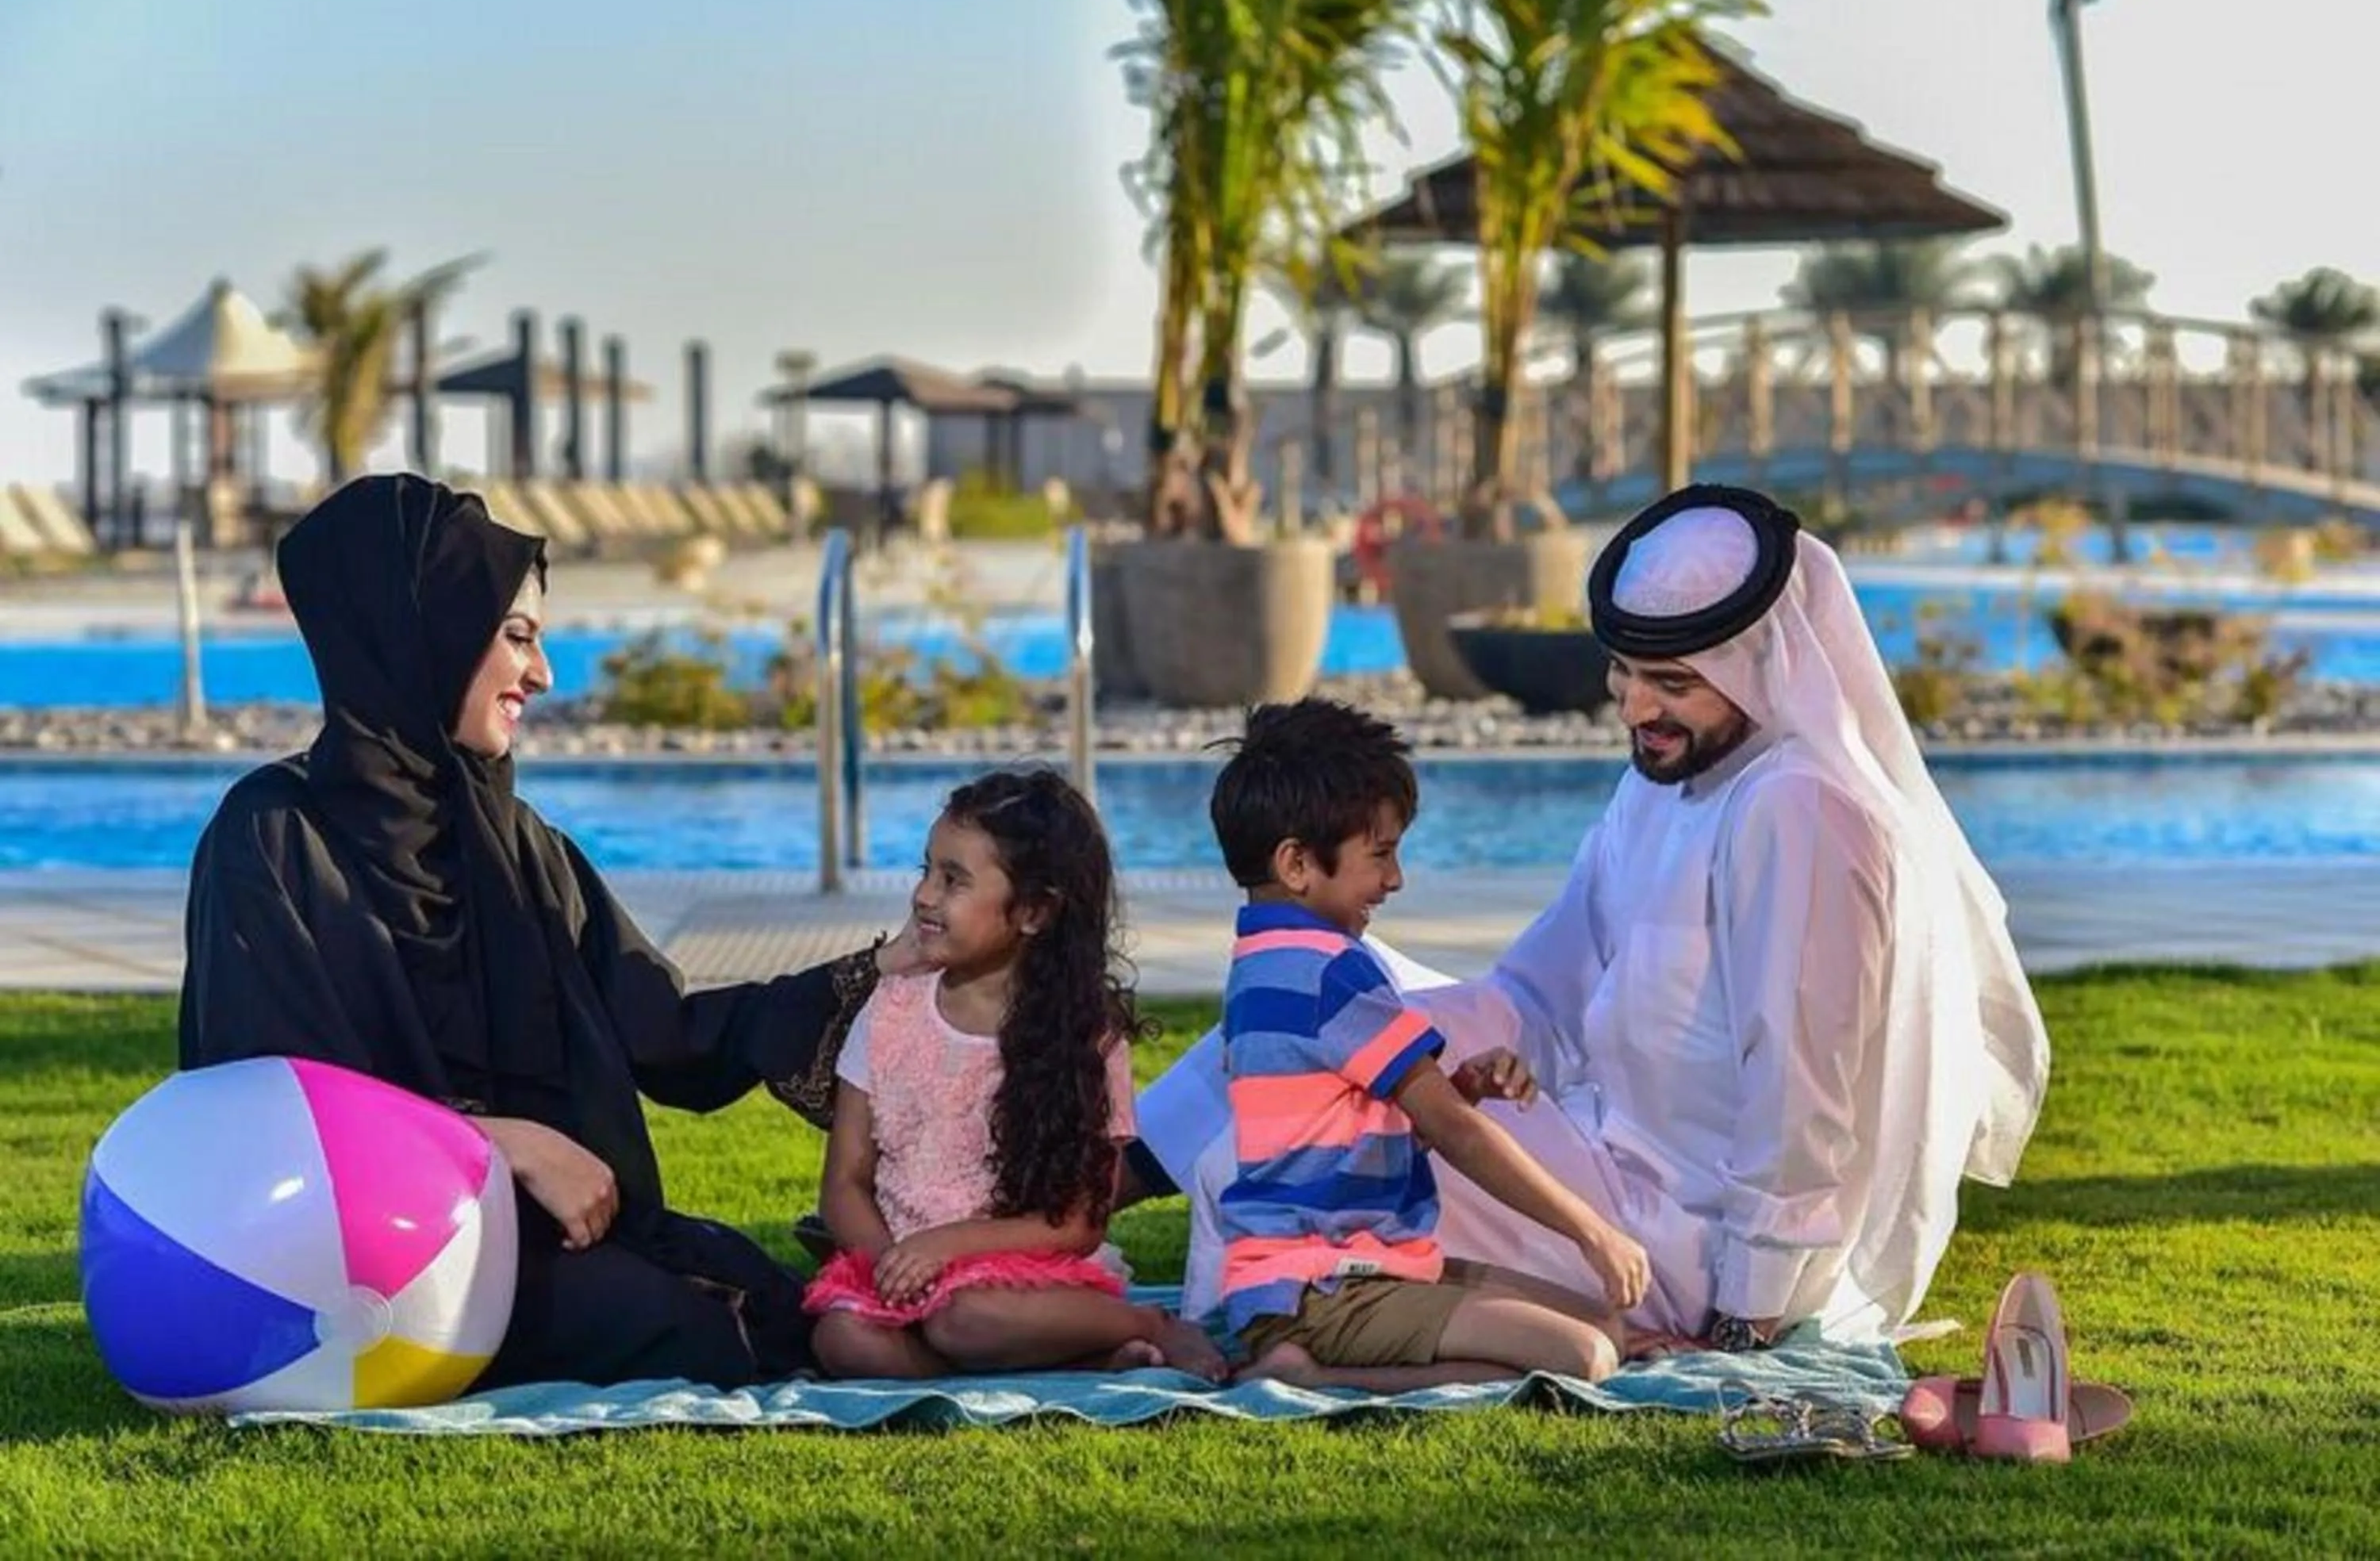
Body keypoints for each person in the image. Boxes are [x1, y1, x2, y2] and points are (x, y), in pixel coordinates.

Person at [1134, 483, 2052, 1351]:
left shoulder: (1799, 811)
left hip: (1681, 1246)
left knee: (1263, 1148)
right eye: (1623, 673)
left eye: (1672, 683)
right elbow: (1538, 993)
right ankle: (1083, 1200)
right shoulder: (1661, 785)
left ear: (1760, 666)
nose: (1637, 707)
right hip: (1595, 1149)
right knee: (1299, 1001)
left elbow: (1803, 1095)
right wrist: (1411, 1048)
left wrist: (1750, 1311)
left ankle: (1188, 1289)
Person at [178, 474, 916, 1390]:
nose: (543, 675)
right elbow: (276, 1104)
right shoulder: (271, 839)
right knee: (702, 1329)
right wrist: (506, 1146)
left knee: (772, 1300)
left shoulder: (515, 844)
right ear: (426, 637)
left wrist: (883, 970)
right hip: (362, 1267)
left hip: (539, 1236)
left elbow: (667, 1031)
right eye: (518, 637)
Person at [1203, 700, 1668, 1391]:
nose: (1395, 879)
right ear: (1297, 864)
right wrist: (1590, 1231)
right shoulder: (1332, 971)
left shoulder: (1263, 962)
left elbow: (1355, 1137)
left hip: (1324, 1279)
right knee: (1586, 1357)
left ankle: (1307, 1358)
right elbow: (1454, 1132)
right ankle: (1309, 1376)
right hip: (1329, 1290)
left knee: (1611, 1329)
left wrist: (1465, 1087)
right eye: (1380, 855)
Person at [804, 768, 1226, 1381]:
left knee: (967, 1317)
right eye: (926, 870)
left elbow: (1079, 1225)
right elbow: (843, 1182)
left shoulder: (1085, 1037)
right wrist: (895, 1265)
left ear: (1033, 911)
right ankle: (1077, 1358)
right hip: (899, 1267)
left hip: (1017, 1276)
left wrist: (945, 1248)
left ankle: (1150, 1325)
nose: (923, 895)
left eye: (953, 880)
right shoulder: (889, 1011)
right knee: (842, 1339)